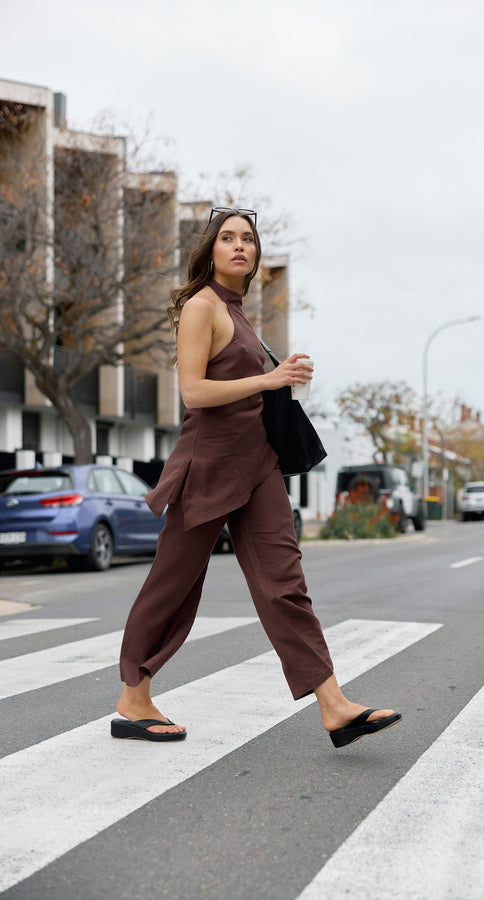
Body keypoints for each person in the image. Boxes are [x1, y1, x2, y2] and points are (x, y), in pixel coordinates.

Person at [111, 207, 401, 748]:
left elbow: (246, 384)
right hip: (210, 464)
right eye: (227, 238)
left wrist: (280, 378)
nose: (239, 246)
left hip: (257, 463)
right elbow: (193, 393)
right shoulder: (202, 306)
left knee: (285, 583)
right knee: (174, 582)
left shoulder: (238, 313)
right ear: (211, 251)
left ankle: (333, 705)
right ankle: (134, 695)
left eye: (248, 239)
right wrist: (268, 377)